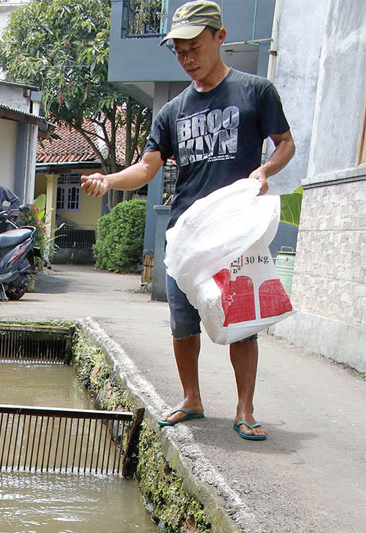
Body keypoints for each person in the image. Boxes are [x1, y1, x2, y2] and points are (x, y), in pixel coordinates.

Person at [81, 0, 295, 441]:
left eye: (194, 47)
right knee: (182, 320)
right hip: (187, 231)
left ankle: (245, 409)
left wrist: (265, 170)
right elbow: (146, 168)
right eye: (179, 51)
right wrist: (108, 179)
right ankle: (192, 398)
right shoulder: (172, 111)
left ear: (220, 37)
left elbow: (285, 143)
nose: (187, 58)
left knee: (241, 321)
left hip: (235, 229)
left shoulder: (255, 91)